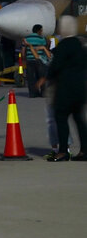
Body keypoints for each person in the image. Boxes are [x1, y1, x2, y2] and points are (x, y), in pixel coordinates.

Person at [37, 16, 87, 162]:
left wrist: (45, 78)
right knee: (79, 119)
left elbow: (55, 66)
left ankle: (63, 151)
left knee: (61, 118)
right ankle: (84, 150)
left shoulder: (63, 46)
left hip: (65, 89)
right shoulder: (80, 44)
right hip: (80, 88)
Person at [22, 24, 51, 98]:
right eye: (41, 30)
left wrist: (24, 58)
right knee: (41, 76)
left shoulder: (26, 38)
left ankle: (32, 94)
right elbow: (46, 47)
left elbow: (23, 50)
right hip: (39, 60)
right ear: (39, 31)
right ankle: (42, 93)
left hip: (29, 60)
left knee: (31, 77)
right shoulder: (42, 39)